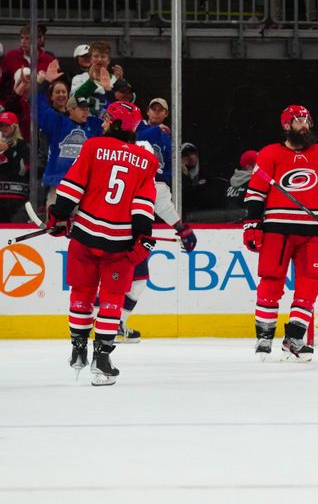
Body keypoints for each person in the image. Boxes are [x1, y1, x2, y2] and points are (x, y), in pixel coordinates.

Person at [46, 101, 157, 386]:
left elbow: (73, 187)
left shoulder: (93, 147)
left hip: (84, 236)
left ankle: (78, 349)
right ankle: (102, 358)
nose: (104, 122)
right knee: (111, 300)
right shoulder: (146, 160)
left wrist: (58, 217)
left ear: (118, 124)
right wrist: (143, 236)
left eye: (108, 118)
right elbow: (142, 205)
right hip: (118, 244)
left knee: (81, 294)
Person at [243, 105, 318, 361]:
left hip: (313, 231)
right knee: (271, 281)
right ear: (286, 126)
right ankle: (264, 338)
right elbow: (256, 193)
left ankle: (294, 338)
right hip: (277, 230)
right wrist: (252, 224)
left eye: (306, 120)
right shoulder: (270, 154)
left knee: (310, 283)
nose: (304, 125)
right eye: (298, 121)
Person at [112, 140, 197, 344]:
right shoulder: (118, 176)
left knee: (138, 281)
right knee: (111, 281)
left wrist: (180, 228)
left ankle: (117, 325)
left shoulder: (152, 182)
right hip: (112, 236)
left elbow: (163, 206)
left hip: (136, 239)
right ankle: (100, 323)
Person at [0, 111, 29, 222]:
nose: (3, 128)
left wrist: (7, 151)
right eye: (1, 125)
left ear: (14, 126)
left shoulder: (22, 145)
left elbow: (22, 169)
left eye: (6, 125)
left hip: (17, 197)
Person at [226, 150, 257, 218]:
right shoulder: (254, 184)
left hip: (226, 224)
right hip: (244, 225)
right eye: (258, 164)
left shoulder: (229, 182)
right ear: (248, 166)